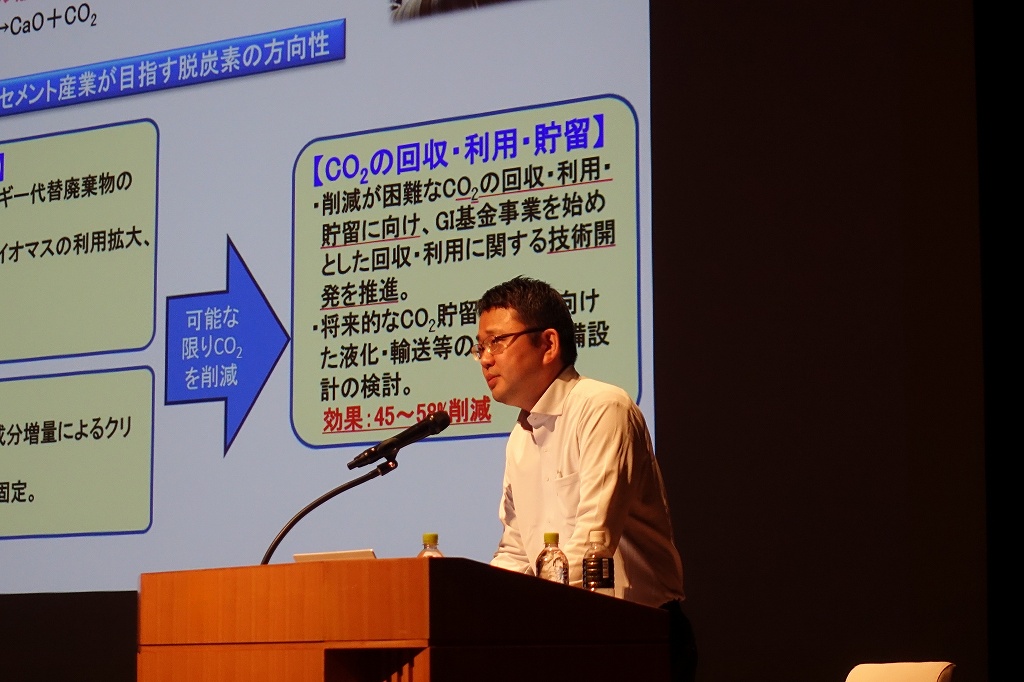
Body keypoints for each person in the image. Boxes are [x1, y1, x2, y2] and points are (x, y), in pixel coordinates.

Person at [474, 275, 697, 681]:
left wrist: (525, 612)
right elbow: (516, 553)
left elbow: (595, 544)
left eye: (497, 342)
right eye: (480, 347)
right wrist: (477, 606)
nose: (485, 359)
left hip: (638, 635)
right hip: (567, 633)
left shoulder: (602, 408)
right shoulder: (520, 437)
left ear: (548, 344)